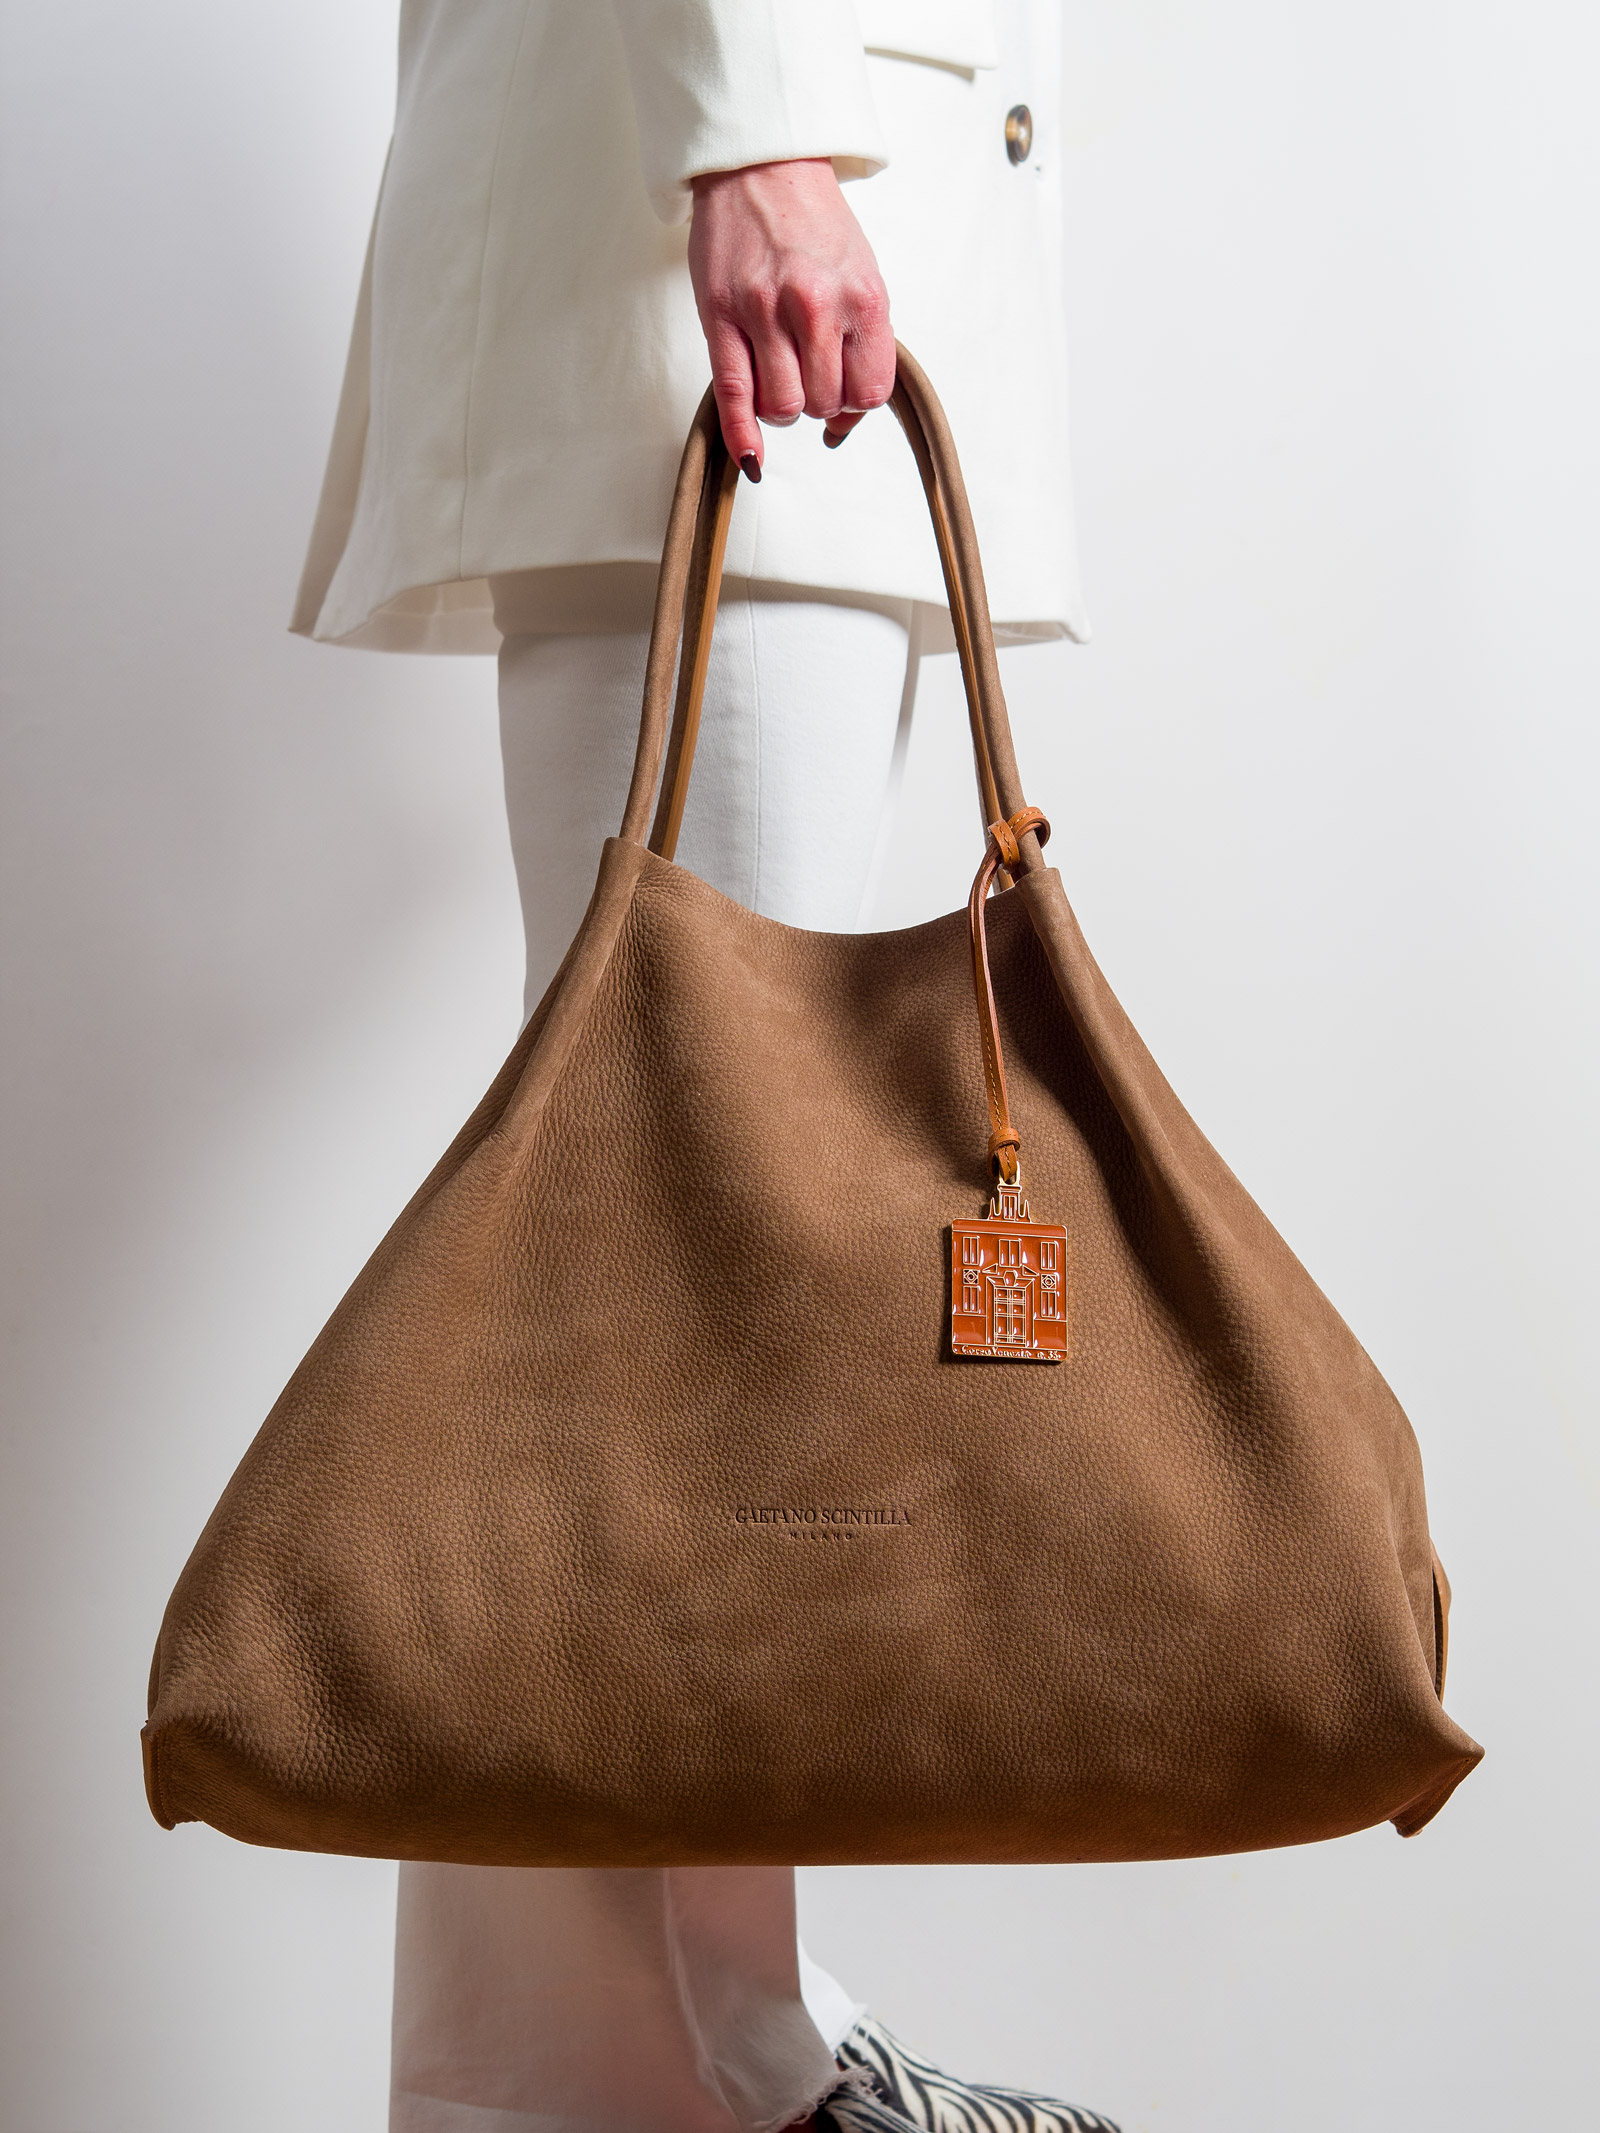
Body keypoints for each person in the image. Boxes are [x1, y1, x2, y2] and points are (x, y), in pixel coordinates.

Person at [292, 5, 1111, 2130]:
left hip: (764, 298)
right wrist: (755, 139)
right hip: (735, 283)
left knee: (629, 1252)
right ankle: (746, 2060)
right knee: (691, 1250)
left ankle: (558, 2084)